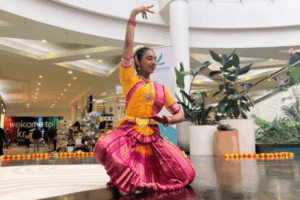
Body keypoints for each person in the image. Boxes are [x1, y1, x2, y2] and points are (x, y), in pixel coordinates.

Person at [93, 5, 195, 194]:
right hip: (129, 130)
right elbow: (127, 45)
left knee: (187, 173)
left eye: (155, 59)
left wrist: (169, 120)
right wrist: (132, 17)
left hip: (153, 133)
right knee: (107, 147)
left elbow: (180, 113)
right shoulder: (129, 79)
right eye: (149, 58)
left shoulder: (161, 90)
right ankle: (127, 180)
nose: (153, 62)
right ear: (137, 62)